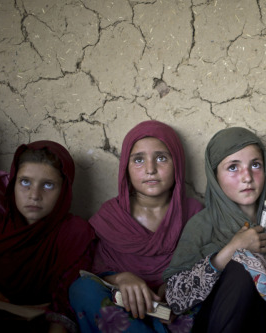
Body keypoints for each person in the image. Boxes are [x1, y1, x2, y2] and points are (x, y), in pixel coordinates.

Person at [163, 127, 266, 333]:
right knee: (243, 265)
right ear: (214, 175)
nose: (247, 177)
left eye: (255, 165)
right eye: (233, 167)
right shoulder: (203, 224)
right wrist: (229, 252)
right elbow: (174, 298)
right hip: (221, 321)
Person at [69, 120, 203, 333]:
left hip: (174, 311)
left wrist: (177, 286)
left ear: (177, 162)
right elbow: (96, 271)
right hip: (123, 309)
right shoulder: (112, 216)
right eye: (138, 160)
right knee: (82, 290)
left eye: (161, 158)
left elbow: (206, 268)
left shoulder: (195, 214)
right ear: (125, 167)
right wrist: (121, 278)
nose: (150, 169)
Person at [0, 141, 95, 332]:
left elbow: (67, 302)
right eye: (25, 182)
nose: (34, 195)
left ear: (64, 191)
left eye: (48, 185)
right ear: (13, 183)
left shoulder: (75, 235)